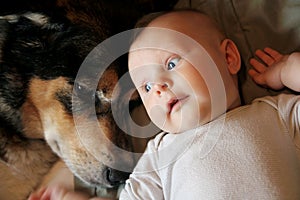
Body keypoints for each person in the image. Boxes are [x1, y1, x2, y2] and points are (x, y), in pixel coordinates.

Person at [29, 10, 300, 200]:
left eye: (171, 64)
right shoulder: (159, 156)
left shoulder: (276, 114)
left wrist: (287, 69)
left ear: (228, 57)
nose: (157, 88)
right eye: (145, 87)